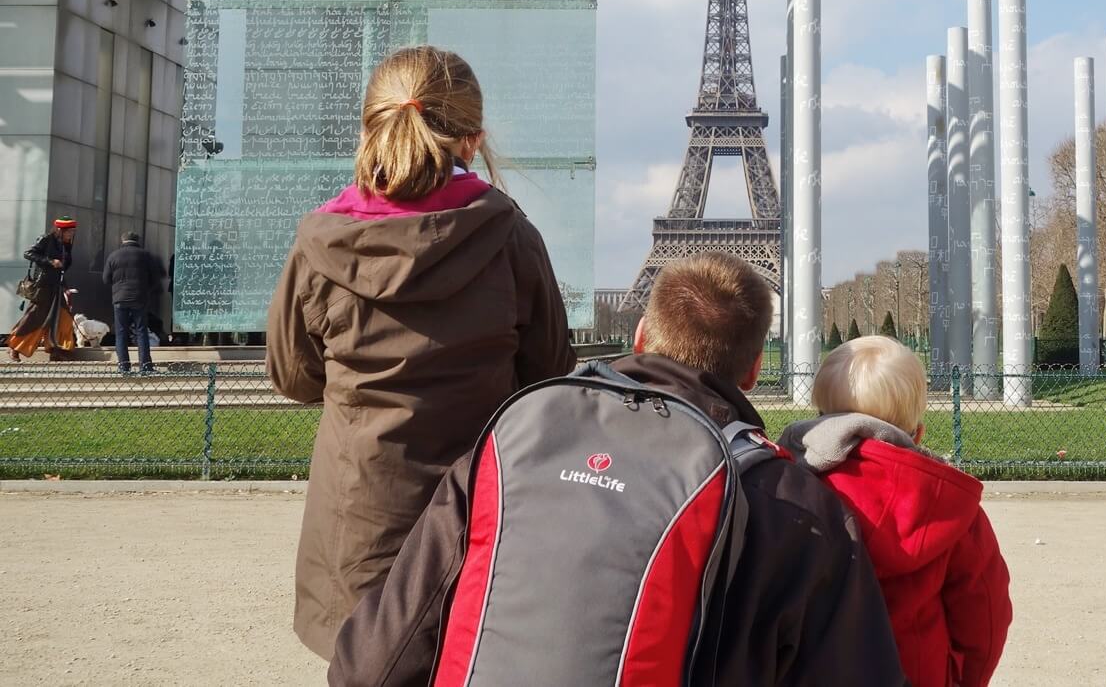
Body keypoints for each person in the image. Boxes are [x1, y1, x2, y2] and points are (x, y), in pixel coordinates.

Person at [329, 252, 906, 686]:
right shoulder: (793, 505)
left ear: (640, 336)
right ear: (753, 370)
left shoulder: (513, 446)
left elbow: (373, 662)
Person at [268, 46, 575, 661]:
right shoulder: (509, 233)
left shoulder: (319, 240)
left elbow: (294, 377)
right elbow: (549, 371)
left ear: (370, 127)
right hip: (473, 510)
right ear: (473, 139)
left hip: (359, 513)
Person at [779, 336, 1012, 687]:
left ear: (821, 421)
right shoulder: (947, 502)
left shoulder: (789, 487)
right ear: (917, 433)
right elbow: (985, 616)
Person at [8, 216, 78, 361]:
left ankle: (56, 350)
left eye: (72, 231)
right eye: (69, 231)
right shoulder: (46, 239)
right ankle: (15, 347)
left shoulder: (66, 244)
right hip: (44, 286)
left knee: (63, 317)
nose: (71, 234)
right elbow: (28, 254)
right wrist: (50, 261)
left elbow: (63, 269)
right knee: (34, 318)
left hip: (57, 286)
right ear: (60, 230)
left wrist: (64, 285)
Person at [102, 231, 165, 375]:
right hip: (140, 298)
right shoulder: (146, 256)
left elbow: (106, 279)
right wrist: (145, 290)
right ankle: (146, 367)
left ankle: (124, 367)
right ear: (138, 241)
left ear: (122, 240)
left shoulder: (113, 256)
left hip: (119, 299)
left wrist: (118, 288)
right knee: (141, 331)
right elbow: (155, 279)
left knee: (121, 333)